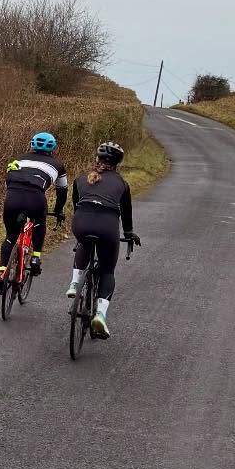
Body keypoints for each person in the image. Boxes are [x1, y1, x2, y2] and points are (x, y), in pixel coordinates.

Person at [66, 140, 141, 338]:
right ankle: (100, 315)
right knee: (107, 270)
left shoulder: (81, 178)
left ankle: (74, 283)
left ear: (97, 159)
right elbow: (126, 214)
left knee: (84, 241)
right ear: (117, 164)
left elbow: (76, 204)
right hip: (107, 227)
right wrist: (129, 233)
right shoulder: (122, 184)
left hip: (81, 222)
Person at [0, 130, 68, 293]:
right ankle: (36, 258)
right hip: (36, 199)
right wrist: (58, 211)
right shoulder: (58, 165)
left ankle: (2, 273)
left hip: (12, 198)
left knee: (11, 236)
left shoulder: (17, 159)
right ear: (53, 148)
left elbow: (9, 181)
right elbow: (62, 191)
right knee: (39, 225)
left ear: (31, 145)